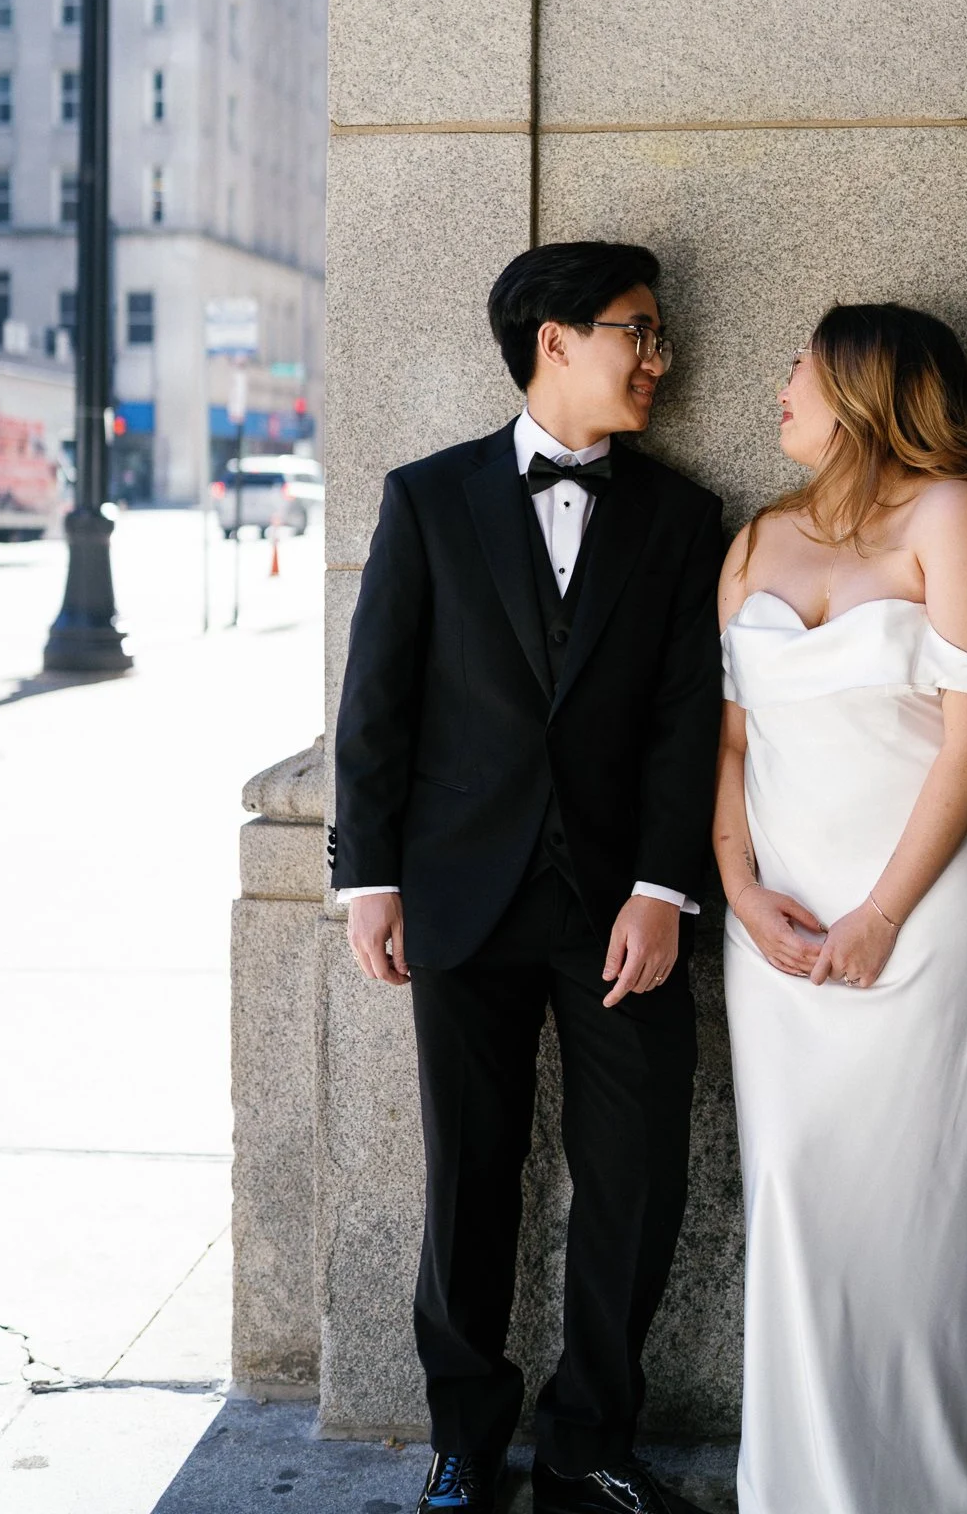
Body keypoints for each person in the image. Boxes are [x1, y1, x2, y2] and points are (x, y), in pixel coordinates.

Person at [331, 242, 724, 1514]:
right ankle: (464, 1432)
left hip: (622, 909)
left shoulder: (679, 518)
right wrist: (367, 878)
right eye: (638, 333)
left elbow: (685, 719)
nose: (657, 360)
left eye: (660, 338)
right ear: (555, 338)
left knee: (636, 1173)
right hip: (459, 893)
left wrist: (664, 890)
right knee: (471, 1171)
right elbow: (375, 707)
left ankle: (589, 1441)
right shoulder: (428, 499)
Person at [714, 303, 967, 1514]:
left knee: (925, 1208)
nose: (777, 386)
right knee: (798, 1204)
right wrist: (741, 890)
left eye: (795, 364)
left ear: (863, 385)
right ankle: (799, 1488)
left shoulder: (952, 519)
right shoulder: (755, 542)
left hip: (925, 922)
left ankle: (928, 1484)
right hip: (777, 937)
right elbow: (728, 743)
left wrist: (875, 918)